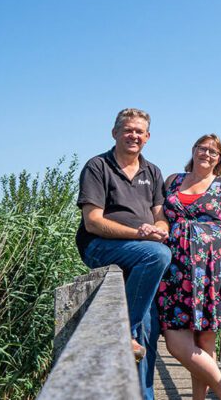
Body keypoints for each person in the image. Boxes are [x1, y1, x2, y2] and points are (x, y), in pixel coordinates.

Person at [76, 108, 171, 400]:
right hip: (100, 246)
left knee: (149, 329)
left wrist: (159, 230)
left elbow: (160, 217)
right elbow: (93, 222)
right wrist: (140, 235)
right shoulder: (97, 166)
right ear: (115, 132)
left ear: (148, 137)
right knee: (159, 255)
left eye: (139, 131)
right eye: (128, 130)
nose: (134, 135)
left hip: (140, 252)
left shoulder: (152, 171)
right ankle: (123, 332)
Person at [157, 134, 221, 400]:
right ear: (193, 150)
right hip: (175, 271)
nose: (206, 154)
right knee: (175, 341)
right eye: (202, 148)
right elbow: (159, 215)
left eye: (213, 152)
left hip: (210, 271)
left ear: (219, 159)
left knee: (205, 339)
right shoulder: (173, 181)